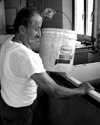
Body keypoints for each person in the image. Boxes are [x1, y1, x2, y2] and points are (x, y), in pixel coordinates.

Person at [0, 6, 94, 125]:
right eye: (36, 29)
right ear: (22, 29)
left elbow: (27, 40)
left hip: (7, 104)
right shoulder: (27, 57)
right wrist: (82, 90)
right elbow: (55, 91)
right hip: (21, 111)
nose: (40, 35)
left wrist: (40, 17)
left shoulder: (8, 44)